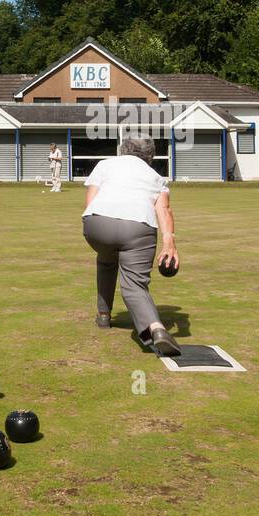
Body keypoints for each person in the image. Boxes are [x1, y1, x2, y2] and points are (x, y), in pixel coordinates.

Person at [81, 135, 181, 355]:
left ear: (122, 150)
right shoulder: (156, 176)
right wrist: (168, 241)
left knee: (106, 259)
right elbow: (163, 210)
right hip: (138, 227)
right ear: (150, 157)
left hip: (96, 224)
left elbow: (90, 201)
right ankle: (154, 329)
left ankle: (104, 316)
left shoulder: (105, 165)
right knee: (134, 285)